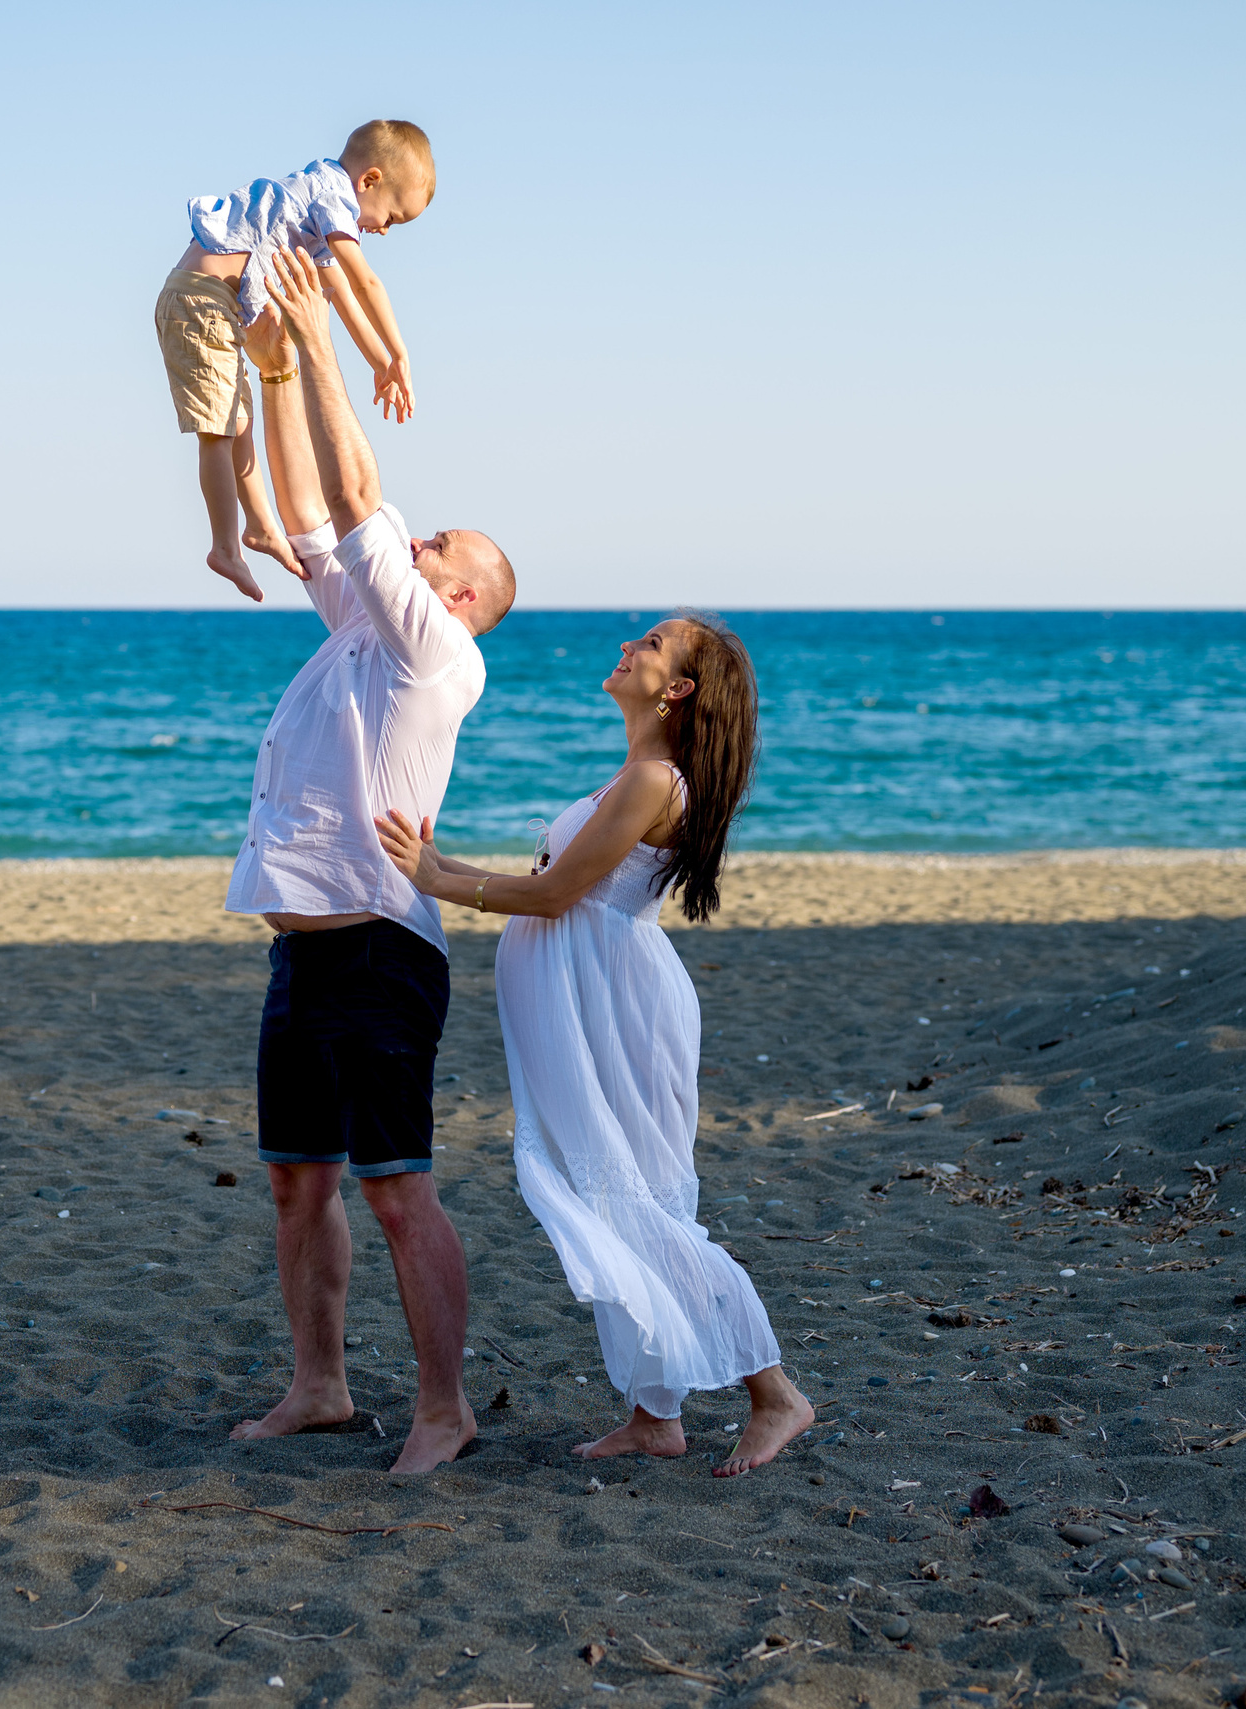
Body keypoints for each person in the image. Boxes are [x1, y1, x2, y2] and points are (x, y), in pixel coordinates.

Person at [373, 615, 817, 1477]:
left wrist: (438, 880)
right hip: (589, 999)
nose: (628, 646)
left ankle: (775, 1393)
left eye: (650, 644)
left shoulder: (652, 779)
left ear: (677, 689)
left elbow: (555, 896)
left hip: (612, 1005)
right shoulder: (635, 775)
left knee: (630, 1199)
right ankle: (656, 1416)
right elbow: (551, 884)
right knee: (617, 1191)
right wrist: (436, 866)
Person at [222, 244, 515, 1476]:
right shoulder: (365, 628)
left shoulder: (439, 654)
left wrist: (322, 340)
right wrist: (276, 368)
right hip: (303, 953)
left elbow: (353, 494)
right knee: (299, 1183)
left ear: (462, 596)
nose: (415, 538)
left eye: (436, 542)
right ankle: (322, 1387)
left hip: (383, 952)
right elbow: (308, 513)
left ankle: (443, 1408)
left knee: (398, 1189)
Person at [155, 121, 434, 603]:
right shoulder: (332, 197)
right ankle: (224, 546)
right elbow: (364, 282)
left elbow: (340, 294)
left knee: (237, 423)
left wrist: (380, 365)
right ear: (369, 180)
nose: (385, 230)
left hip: (213, 306)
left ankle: (260, 527)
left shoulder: (316, 212)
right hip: (200, 301)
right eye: (392, 216)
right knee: (218, 432)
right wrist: (400, 352)